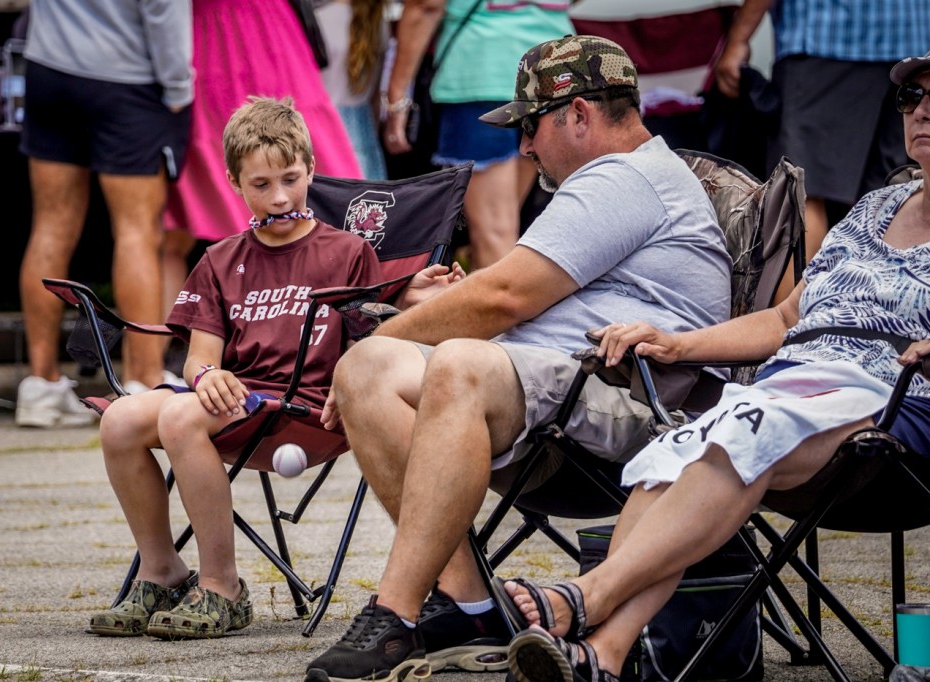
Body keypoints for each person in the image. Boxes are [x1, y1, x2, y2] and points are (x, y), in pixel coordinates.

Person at [304, 35, 733, 681]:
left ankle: (394, 613)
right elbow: (511, 292)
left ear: (579, 113)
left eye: (530, 126)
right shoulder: (618, 179)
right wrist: (401, 330)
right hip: (557, 392)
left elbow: (503, 295)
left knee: (452, 363)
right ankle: (470, 605)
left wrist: (395, 329)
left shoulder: (625, 176)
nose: (525, 146)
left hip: (630, 404)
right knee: (365, 370)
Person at [500, 50, 930, 682]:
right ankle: (605, 655)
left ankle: (581, 598)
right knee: (671, 452)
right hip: (793, 387)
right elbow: (785, 319)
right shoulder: (873, 210)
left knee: (739, 435)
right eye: (912, 98)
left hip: (892, 403)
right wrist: (678, 344)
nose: (921, 111)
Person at [87, 96, 463, 639]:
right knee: (120, 420)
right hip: (238, 402)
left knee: (180, 418)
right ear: (235, 184)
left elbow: (374, 336)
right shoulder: (220, 259)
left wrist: (412, 298)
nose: (280, 196)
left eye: (290, 179)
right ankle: (162, 570)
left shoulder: (347, 252)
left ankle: (222, 587)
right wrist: (207, 376)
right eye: (261, 184)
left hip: (311, 409)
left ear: (311, 169)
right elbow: (199, 357)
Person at [159, 0, 364, 373]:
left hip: (255, 37)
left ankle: (154, 365)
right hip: (233, 39)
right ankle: (158, 362)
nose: (280, 196)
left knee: (332, 224)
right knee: (178, 230)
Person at [14, 0, 193, 426]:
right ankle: (144, 380)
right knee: (137, 230)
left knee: (50, 225)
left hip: (49, 67)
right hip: (126, 76)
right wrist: (178, 87)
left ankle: (40, 385)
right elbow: (163, 9)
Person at [713, 0, 930, 301]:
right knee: (883, 202)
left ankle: (787, 324)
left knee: (801, 197)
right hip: (909, 39)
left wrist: (738, 38)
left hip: (826, 36)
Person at [380, 0, 574, 270]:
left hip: (482, 71)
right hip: (557, 72)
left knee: (495, 234)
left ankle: (495, 296)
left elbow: (426, 5)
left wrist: (396, 97)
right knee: (505, 226)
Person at [315, 0, 389, 180]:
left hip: (322, 126)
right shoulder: (378, 22)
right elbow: (375, 97)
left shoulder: (318, 18)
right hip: (362, 127)